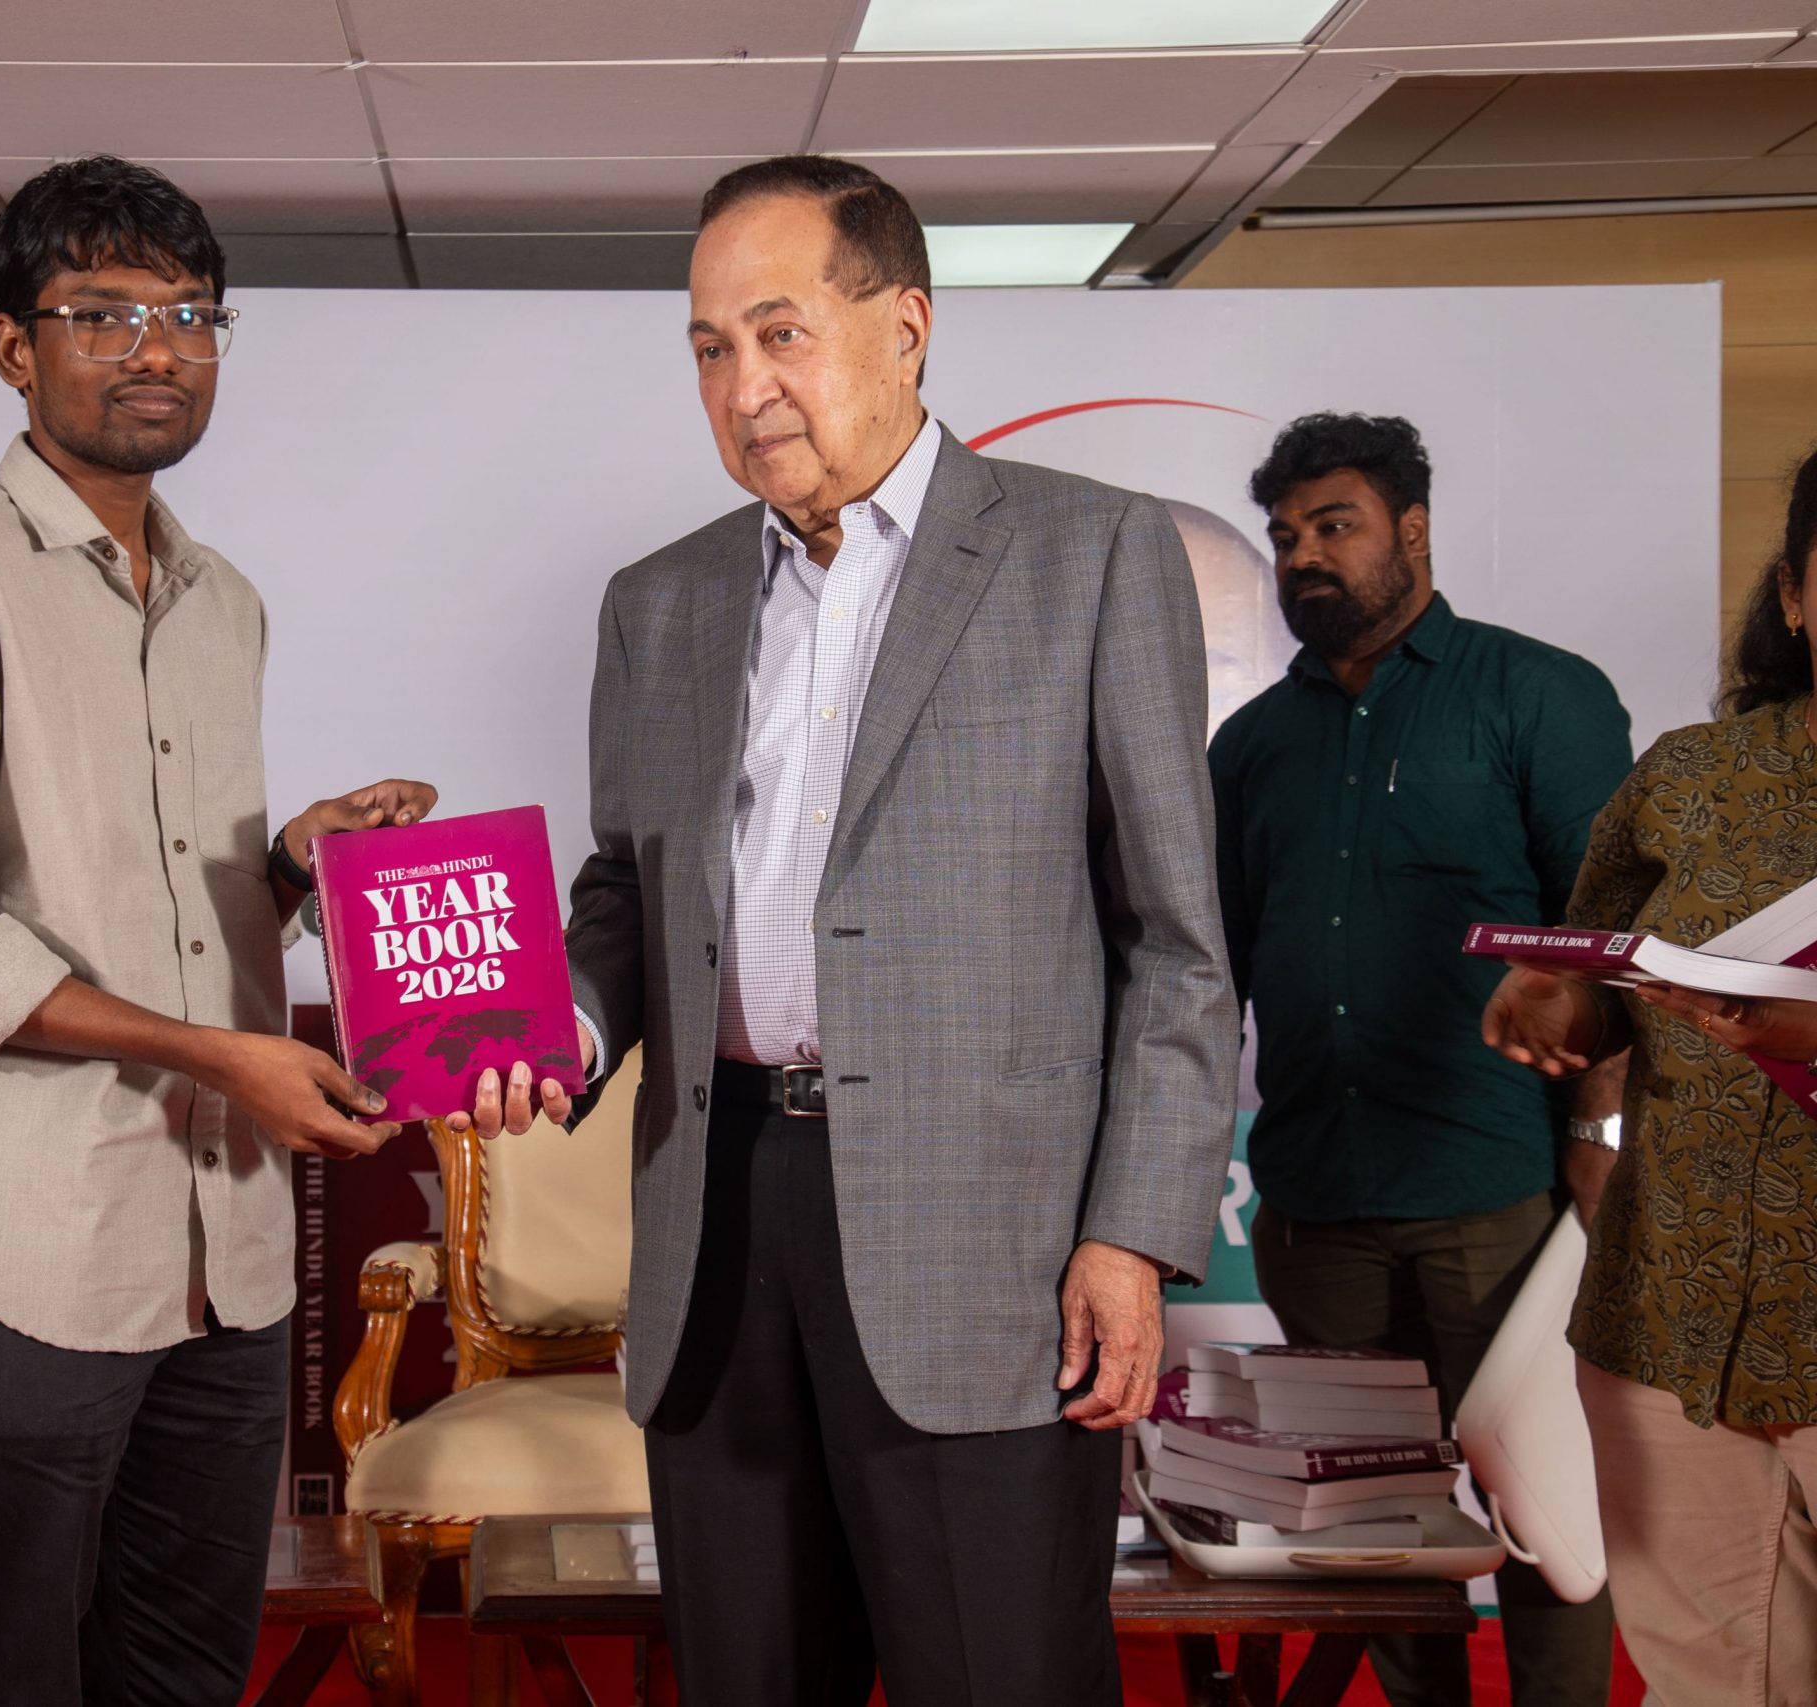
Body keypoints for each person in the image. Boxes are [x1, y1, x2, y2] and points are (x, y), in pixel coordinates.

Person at [460, 154, 1237, 1705]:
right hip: (718, 1224)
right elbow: (624, 883)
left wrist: (1132, 1233)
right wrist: (574, 1020)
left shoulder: (1090, 553)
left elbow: (1175, 938)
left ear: (906, 329)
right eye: (708, 346)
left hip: (993, 1250)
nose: (742, 385)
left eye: (779, 332)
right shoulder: (659, 601)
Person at [0, 156, 431, 1707]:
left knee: (178, 1672)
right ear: (13, 349)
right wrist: (216, 1052)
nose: (156, 348)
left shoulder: (225, 602)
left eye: (189, 313)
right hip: (34, 1248)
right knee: (4, 1672)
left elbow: (159, 907)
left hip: (226, 1253)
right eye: (101, 312)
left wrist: (290, 866)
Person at [1209, 412, 1627, 1707]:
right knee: (1378, 1528)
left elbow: (1611, 943)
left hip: (1497, 1194)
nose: (1303, 556)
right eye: (1285, 536)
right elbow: (1209, 972)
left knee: (1544, 1510)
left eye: (1333, 525)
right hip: (1318, 1204)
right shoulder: (1250, 747)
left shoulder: (1536, 694)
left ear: (1414, 529)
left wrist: (1599, 1148)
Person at [1483, 444, 1817, 1706]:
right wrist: (1553, 999)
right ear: (1792, 596)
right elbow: (1605, 977)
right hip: (1669, 1319)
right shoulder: (1689, 776)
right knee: (1707, 1687)